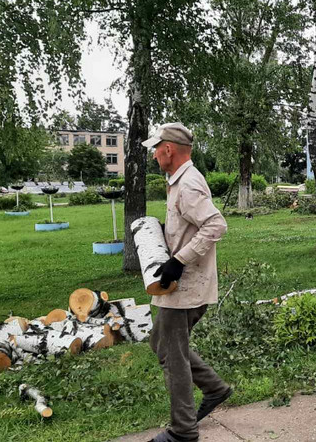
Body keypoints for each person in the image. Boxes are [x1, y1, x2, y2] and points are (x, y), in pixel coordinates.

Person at [144, 122, 232, 442]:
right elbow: (188, 227)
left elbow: (215, 225)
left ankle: (183, 431)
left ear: (169, 149)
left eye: (156, 149)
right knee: (161, 343)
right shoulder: (179, 181)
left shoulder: (188, 184)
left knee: (173, 356)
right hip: (182, 285)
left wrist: (179, 261)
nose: (154, 155)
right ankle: (214, 388)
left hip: (186, 287)